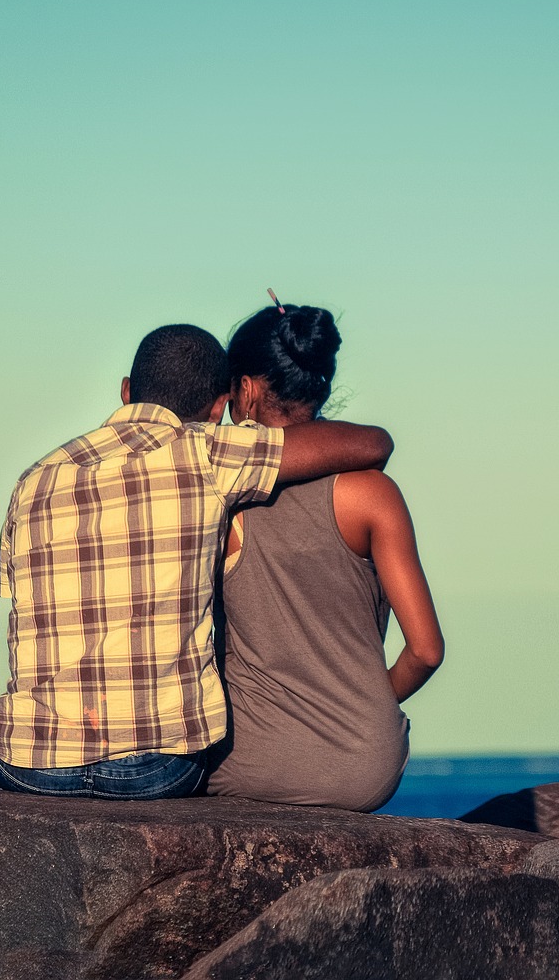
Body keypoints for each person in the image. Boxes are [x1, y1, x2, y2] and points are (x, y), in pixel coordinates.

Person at [0, 322, 393, 799]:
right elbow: (373, 444)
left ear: (126, 392)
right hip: (159, 770)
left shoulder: (34, 479)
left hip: (34, 767)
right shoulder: (207, 452)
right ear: (219, 407)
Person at [206, 304, 443, 811]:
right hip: (367, 767)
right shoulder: (374, 493)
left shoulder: (222, 496)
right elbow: (426, 651)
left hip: (253, 759)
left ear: (245, 391)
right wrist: (364, 707)